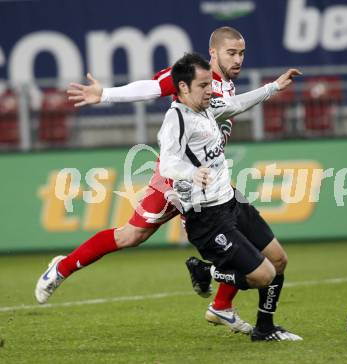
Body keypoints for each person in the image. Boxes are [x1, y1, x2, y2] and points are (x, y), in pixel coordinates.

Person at [35, 27, 260, 334]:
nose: (238, 59)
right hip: (178, 178)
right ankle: (61, 268)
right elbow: (152, 88)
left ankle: (221, 306)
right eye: (231, 53)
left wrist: (273, 88)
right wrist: (105, 95)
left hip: (209, 180)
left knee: (243, 232)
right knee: (130, 236)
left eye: (241, 53)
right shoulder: (193, 76)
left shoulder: (229, 87)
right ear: (213, 53)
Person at [158, 52, 302, 341]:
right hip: (208, 216)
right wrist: (190, 172)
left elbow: (236, 103)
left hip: (232, 201)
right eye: (202, 85)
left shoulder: (208, 107)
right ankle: (207, 271)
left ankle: (264, 329)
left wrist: (273, 86)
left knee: (279, 260)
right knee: (263, 275)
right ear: (183, 88)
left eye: (210, 83)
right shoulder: (176, 118)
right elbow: (167, 162)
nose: (210, 89)